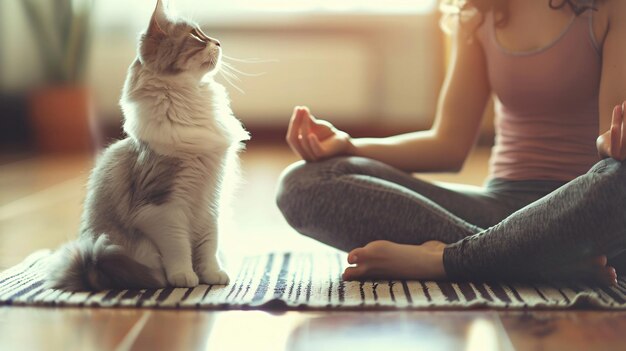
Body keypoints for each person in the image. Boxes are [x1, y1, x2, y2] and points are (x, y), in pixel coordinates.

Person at [276, 0, 626, 285]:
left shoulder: (612, 7)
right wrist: (350, 147)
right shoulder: (477, 13)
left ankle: (445, 261)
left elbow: (609, 146)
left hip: (584, 207)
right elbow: (448, 145)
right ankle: (541, 261)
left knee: (621, 178)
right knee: (303, 183)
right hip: (499, 209)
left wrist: (615, 146)